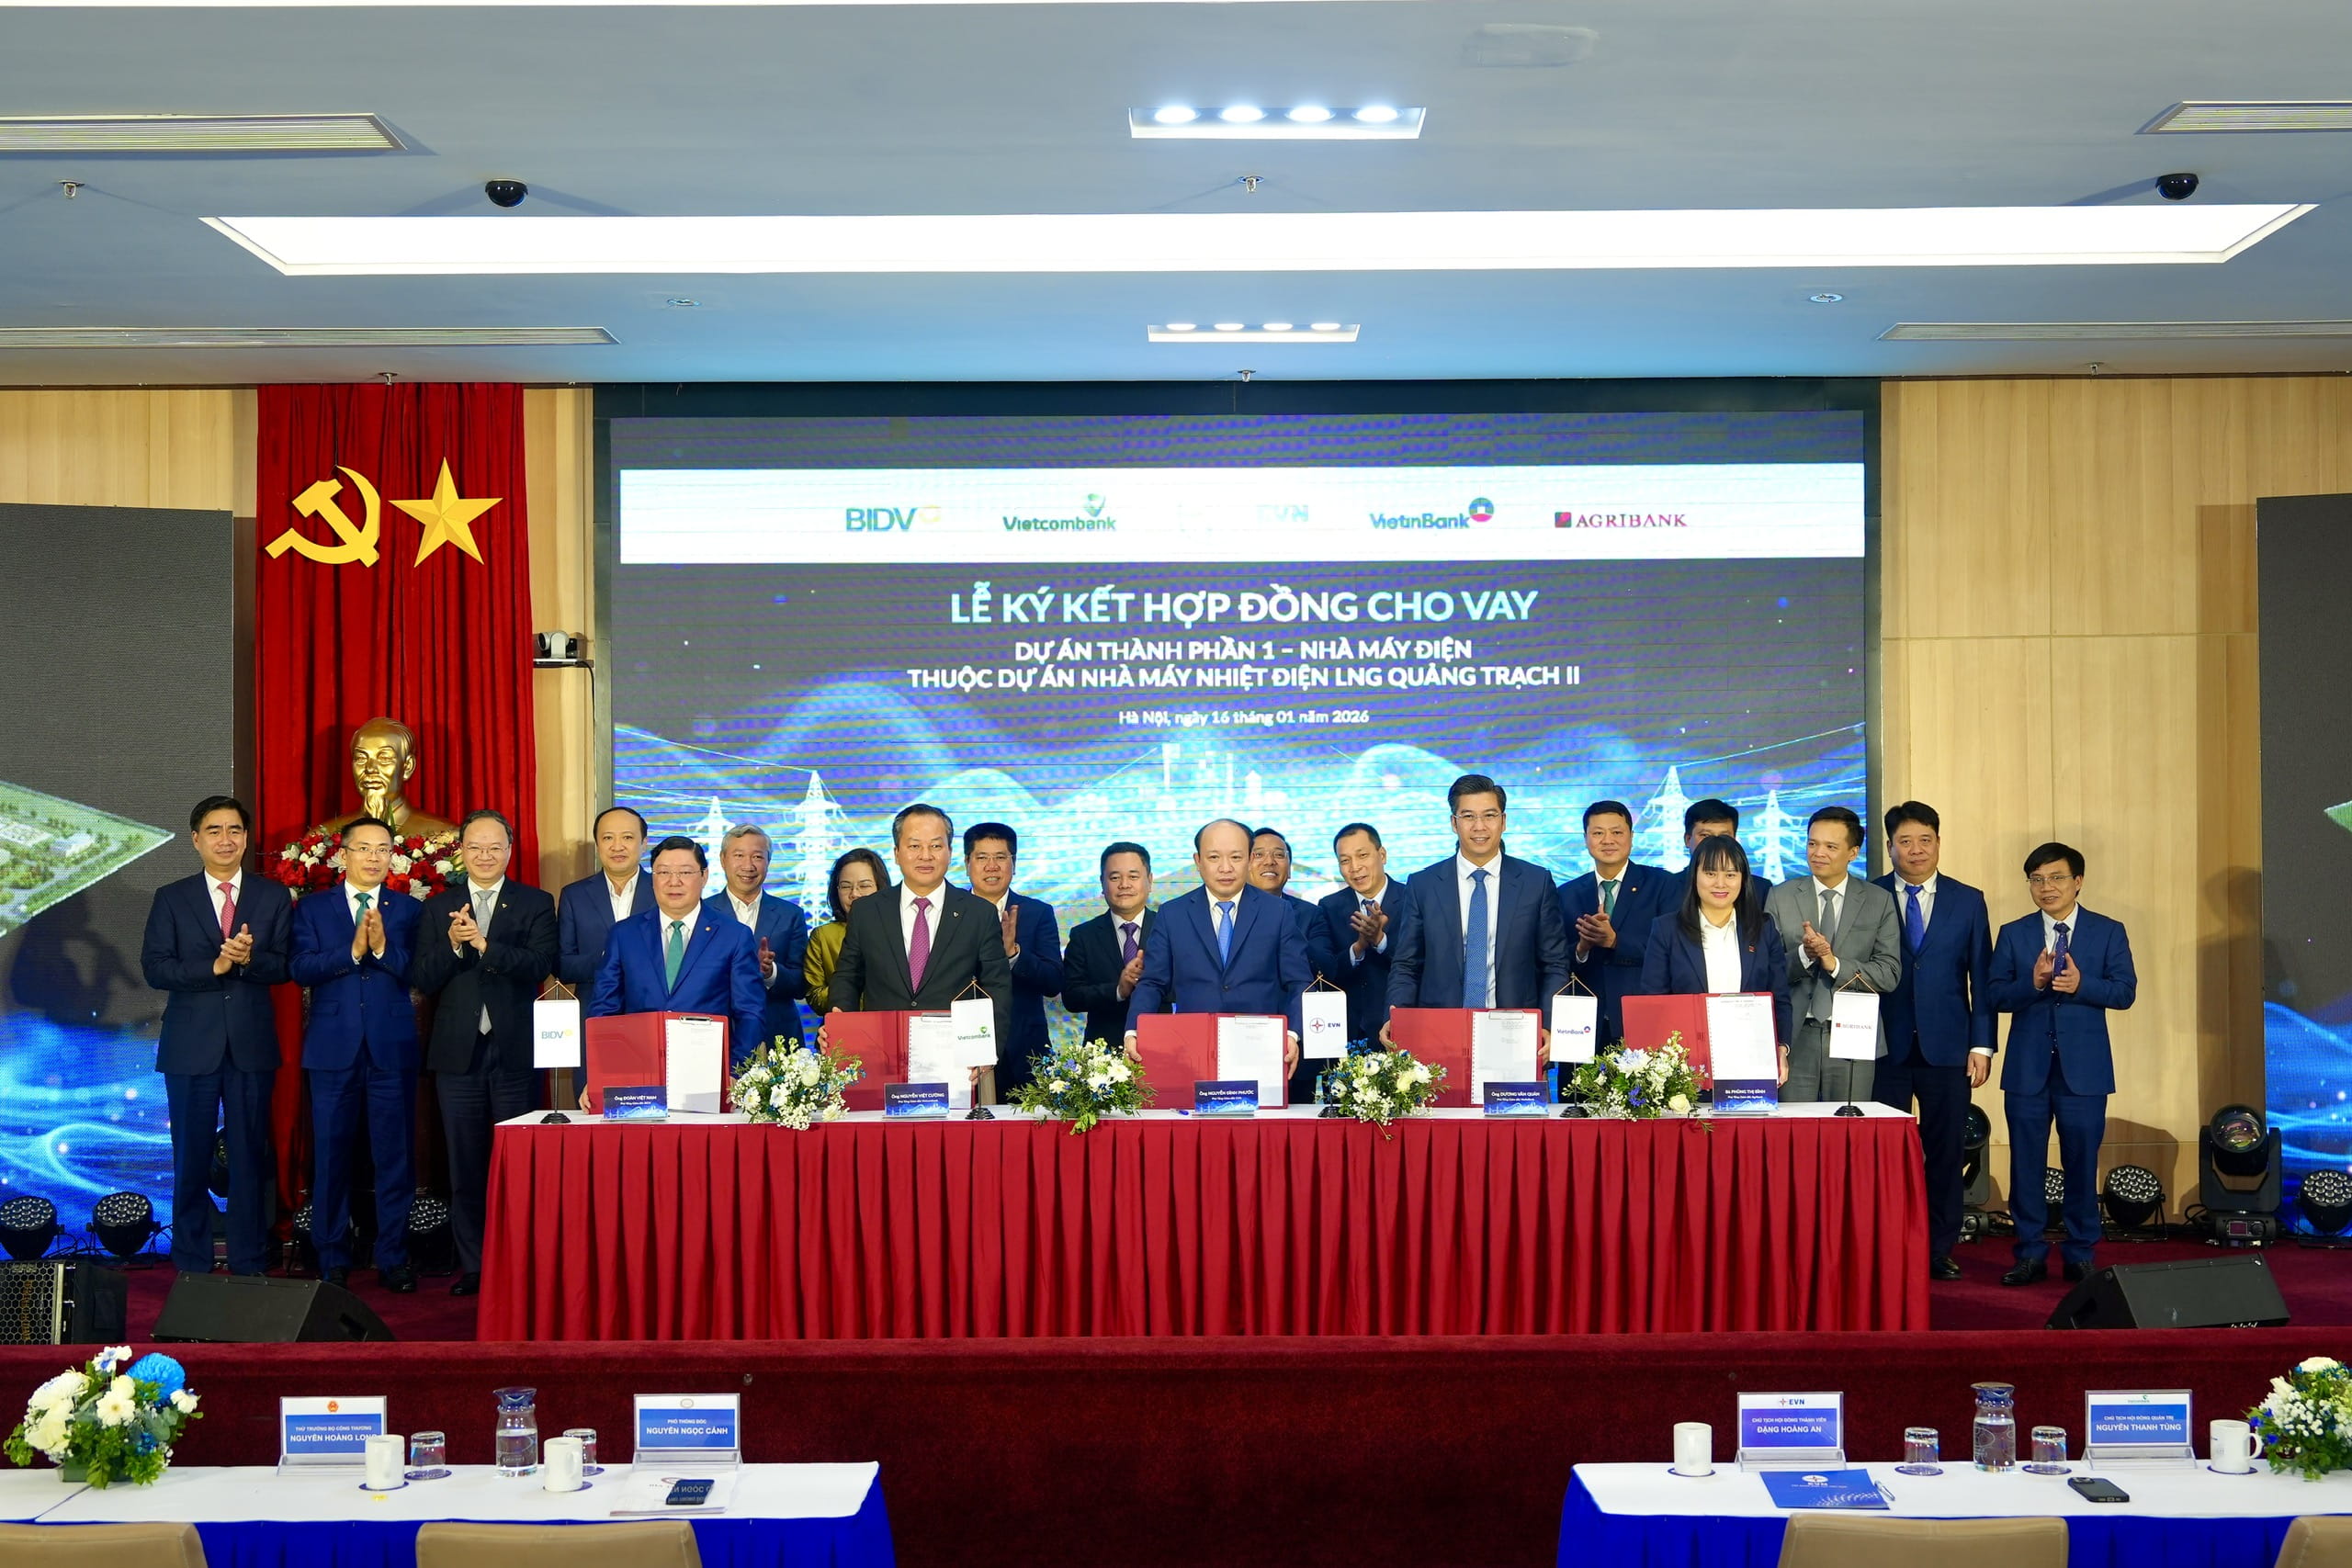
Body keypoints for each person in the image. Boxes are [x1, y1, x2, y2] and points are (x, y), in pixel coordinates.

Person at [139, 795, 291, 1279]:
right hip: (190, 1048)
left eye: (234, 830)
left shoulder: (272, 896)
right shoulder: (172, 897)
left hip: (250, 1045)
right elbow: (155, 968)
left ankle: (249, 1264)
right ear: (195, 840)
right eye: (214, 831)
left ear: (246, 838)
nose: (225, 840)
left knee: (249, 1159)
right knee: (191, 1159)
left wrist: (249, 961)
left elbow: (285, 966)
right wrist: (216, 966)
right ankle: (192, 1266)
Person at [410, 808, 557, 1297]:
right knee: (466, 1165)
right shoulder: (438, 907)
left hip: (515, 1051)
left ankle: (519, 1259)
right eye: (475, 847)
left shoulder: (535, 902)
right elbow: (423, 977)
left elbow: (541, 963)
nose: (485, 855)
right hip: (458, 1055)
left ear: (510, 851)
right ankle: (475, 1265)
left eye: (495, 847)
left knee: (518, 1163)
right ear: (461, 852)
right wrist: (454, 947)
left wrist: (484, 944)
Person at [1991, 842, 2136, 1287]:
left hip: (2085, 1072)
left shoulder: (2108, 931)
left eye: (2056, 878)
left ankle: (2080, 1253)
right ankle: (2029, 1253)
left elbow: (2124, 992)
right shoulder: (2014, 933)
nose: (2046, 887)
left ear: (2078, 881)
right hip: (2027, 1070)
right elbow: (1995, 994)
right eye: (2037, 879)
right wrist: (2032, 982)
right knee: (2026, 1165)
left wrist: (2082, 984)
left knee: (2081, 1162)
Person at [288, 817, 423, 1292]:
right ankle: (331, 1258)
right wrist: (352, 951)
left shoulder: (409, 909)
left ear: (392, 857)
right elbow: (300, 968)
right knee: (330, 1158)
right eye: (363, 848)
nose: (373, 857)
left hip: (391, 1049)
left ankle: (393, 1257)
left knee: (395, 1159)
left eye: (383, 849)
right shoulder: (312, 908)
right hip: (332, 1050)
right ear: (343, 854)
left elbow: (420, 971)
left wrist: (382, 949)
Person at [1871, 801, 1996, 1282]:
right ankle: (1889, 1245)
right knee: (1886, 1154)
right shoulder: (1870, 896)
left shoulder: (1968, 900)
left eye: (1925, 840)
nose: (1916, 850)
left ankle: (1938, 1248)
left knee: (1946, 1153)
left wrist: (1982, 1045)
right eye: (1905, 842)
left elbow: (1981, 978)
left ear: (1939, 843)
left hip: (1948, 1048)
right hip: (1885, 1047)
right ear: (1890, 847)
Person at [1385, 776, 1572, 1052]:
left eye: (1489, 815)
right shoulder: (1423, 885)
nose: (1479, 826)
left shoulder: (1536, 883)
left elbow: (1554, 963)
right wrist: (1396, 1015)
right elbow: (1406, 964)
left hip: (1515, 1032)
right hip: (1438, 1031)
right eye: (1468, 816)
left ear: (1503, 821)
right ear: (1454, 823)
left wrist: (1550, 1023)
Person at [1125, 818, 1308, 1086]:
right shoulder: (1172, 914)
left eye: (1236, 857)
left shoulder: (1277, 912)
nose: (1225, 868)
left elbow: (1299, 982)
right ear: (1198, 861)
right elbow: (1152, 982)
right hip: (1191, 1052)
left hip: (1262, 1051)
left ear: (1249, 859)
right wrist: (1134, 1030)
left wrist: (1292, 1034)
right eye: (1214, 857)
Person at [831, 805, 1013, 1051]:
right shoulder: (867, 911)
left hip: (954, 1055)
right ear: (896, 853)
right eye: (914, 846)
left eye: (936, 846)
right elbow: (847, 978)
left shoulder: (978, 913)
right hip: (880, 1048)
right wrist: (841, 1029)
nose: (925, 856)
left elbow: (996, 989)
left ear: (949, 852)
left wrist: (986, 1052)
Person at [588, 836, 767, 1071]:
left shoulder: (734, 935)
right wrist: (604, 1072)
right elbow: (604, 1011)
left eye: (685, 872)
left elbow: (749, 1013)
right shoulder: (624, 934)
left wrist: (736, 1071)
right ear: (653, 878)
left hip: (709, 1070)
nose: (674, 882)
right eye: (663, 872)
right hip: (638, 1070)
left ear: (704, 876)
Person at [1765, 807, 1901, 1103]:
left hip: (1854, 1033)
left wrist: (1835, 964)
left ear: (1853, 852)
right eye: (1812, 843)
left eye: (1830, 846)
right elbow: (1766, 971)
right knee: (1794, 1127)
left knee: (1849, 1127)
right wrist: (1805, 955)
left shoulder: (1878, 900)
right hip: (1795, 1035)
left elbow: (1890, 973)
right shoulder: (1781, 896)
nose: (1818, 853)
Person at [1638, 833, 1792, 1077]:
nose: (1721, 883)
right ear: (1694, 876)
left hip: (1750, 1059)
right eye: (1710, 873)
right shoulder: (1667, 930)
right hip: (1685, 1063)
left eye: (1730, 874)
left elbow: (1779, 998)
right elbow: (1654, 1001)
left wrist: (1781, 1047)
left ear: (1743, 879)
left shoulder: (1763, 928)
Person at [1557, 798, 1671, 1050]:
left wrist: (1615, 941)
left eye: (1617, 832)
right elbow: (1553, 959)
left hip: (1644, 1019)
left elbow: (1672, 952)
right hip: (1582, 1026)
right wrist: (1582, 948)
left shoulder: (1663, 884)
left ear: (1631, 836)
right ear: (1586, 839)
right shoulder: (1565, 894)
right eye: (1598, 833)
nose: (1608, 840)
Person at [963, 822, 1064, 1100]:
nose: (991, 866)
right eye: (982, 857)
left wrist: (1014, 955)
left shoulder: (1037, 912)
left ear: (1014, 864)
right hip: (962, 1050)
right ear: (967, 863)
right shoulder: (949, 911)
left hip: (1024, 1052)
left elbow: (1054, 982)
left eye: (1000, 857)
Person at [705, 823, 810, 1060]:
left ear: (768, 862)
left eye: (757, 857)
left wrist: (770, 972)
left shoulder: (790, 915)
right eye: (739, 855)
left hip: (779, 1038)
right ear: (722, 859)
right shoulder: (704, 913)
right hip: (719, 1036)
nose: (748, 866)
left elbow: (802, 983)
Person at [1317, 822, 1407, 1049]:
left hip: (1398, 1027)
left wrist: (1380, 941)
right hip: (1346, 1034)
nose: (1355, 867)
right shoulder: (1328, 906)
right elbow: (1325, 971)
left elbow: (1422, 962)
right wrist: (1358, 947)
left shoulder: (1412, 899)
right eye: (1345, 861)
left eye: (1362, 855)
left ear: (1382, 855)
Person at [1062, 841, 1155, 1052]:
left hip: (1164, 1046)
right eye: (1115, 878)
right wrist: (1118, 990)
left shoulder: (1169, 929)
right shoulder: (1083, 935)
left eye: (1133, 876)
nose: (1124, 885)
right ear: (1102, 884)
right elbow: (1072, 997)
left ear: (1149, 881)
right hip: (1103, 1055)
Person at [558, 806, 649, 990]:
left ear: (644, 844)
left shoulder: (663, 891)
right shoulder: (574, 896)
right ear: (598, 845)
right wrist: (610, 958)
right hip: (596, 1004)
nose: (617, 846)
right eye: (608, 838)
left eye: (627, 837)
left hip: (651, 1004)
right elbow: (563, 966)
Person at [1249, 827, 1340, 982]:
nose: (1269, 861)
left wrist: (1286, 927)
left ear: (1289, 870)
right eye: (1259, 854)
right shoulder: (1227, 911)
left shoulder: (1311, 914)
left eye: (1279, 855)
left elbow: (1327, 969)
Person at [803, 848, 888, 1013]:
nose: (854, 894)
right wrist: (848, 988)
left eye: (864, 886)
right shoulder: (823, 936)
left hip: (890, 1024)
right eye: (845, 886)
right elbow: (815, 996)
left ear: (881, 888)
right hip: (840, 1025)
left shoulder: (900, 930)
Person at [1669, 797, 1773, 902]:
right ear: (1687, 839)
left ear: (1735, 840)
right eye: (1705, 835)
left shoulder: (1761, 890)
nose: (1715, 843)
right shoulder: (1667, 888)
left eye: (1724, 836)